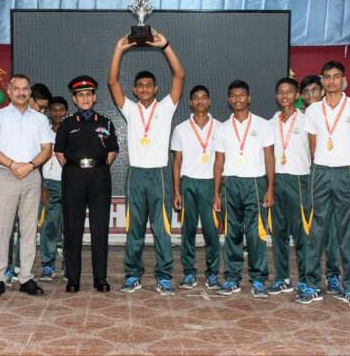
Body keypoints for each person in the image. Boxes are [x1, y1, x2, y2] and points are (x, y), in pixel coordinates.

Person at [108, 29, 184, 296]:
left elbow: (179, 76)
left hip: (159, 175)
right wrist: (119, 50)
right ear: (134, 90)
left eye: (149, 85)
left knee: (162, 229)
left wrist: (166, 46)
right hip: (136, 175)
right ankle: (132, 275)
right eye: (140, 85)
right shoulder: (129, 109)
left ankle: (164, 276)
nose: (144, 89)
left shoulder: (166, 107)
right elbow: (112, 82)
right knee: (134, 228)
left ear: (156, 89)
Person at [299, 61, 350, 308]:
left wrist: (345, 163)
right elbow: (312, 144)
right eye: (327, 77)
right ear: (322, 81)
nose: (331, 81)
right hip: (320, 172)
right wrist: (324, 163)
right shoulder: (313, 110)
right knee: (315, 230)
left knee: (348, 230)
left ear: (343, 80)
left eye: (336, 77)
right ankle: (311, 285)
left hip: (346, 172)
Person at [0, 74, 54, 298]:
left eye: (25, 89)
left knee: (29, 229)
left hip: (32, 176)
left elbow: (47, 149)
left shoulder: (40, 119)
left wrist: (30, 165)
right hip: (6, 174)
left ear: (29, 92)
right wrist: (12, 164)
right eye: (17, 88)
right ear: (9, 91)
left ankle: (25, 277)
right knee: (3, 229)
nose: (21, 92)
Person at [54, 76, 119, 292]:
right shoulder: (67, 123)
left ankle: (100, 278)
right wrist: (77, 168)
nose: (85, 98)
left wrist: (96, 167)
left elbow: (112, 151)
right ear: (74, 99)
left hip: (99, 177)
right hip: (74, 177)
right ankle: (73, 278)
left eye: (89, 94)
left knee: (100, 229)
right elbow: (59, 153)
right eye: (80, 95)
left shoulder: (105, 122)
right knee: (73, 229)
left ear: (94, 97)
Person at [213, 80, 274, 298]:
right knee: (232, 232)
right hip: (231, 183)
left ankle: (258, 280)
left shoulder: (263, 125)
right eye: (233, 95)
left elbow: (269, 158)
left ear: (248, 98)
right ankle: (232, 278)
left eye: (241, 95)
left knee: (256, 233)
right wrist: (216, 193)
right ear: (228, 100)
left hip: (255, 183)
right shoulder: (222, 128)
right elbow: (218, 162)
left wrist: (270, 188)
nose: (237, 99)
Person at [171, 85, 222, 291]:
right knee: (188, 231)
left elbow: (222, 161)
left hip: (210, 183)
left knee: (212, 232)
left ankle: (212, 274)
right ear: (191, 102)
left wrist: (218, 192)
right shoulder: (181, 129)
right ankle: (189, 273)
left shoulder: (221, 127)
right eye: (196, 98)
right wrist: (177, 190)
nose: (200, 101)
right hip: (188, 183)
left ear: (209, 101)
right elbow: (177, 162)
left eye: (204, 97)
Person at [300, 74, 342, 296]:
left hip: (330, 176)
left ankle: (333, 275)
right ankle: (310, 277)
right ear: (301, 96)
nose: (311, 95)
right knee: (312, 230)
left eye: (315, 90)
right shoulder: (296, 118)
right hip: (306, 180)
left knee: (332, 229)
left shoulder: (335, 114)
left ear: (323, 90)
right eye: (306, 92)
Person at [268, 78, 310, 296]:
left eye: (289, 91)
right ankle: (282, 278)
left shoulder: (307, 121)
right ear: (276, 96)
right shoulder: (270, 123)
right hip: (276, 181)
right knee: (279, 233)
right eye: (281, 92)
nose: (285, 96)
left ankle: (305, 279)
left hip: (299, 180)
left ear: (297, 95)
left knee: (302, 233)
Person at [39, 96, 69, 282]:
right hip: (49, 184)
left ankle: (69, 265)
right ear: (49, 112)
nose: (58, 113)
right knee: (49, 225)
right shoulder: (44, 133)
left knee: (70, 227)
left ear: (66, 111)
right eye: (54, 110)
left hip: (70, 184)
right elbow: (37, 160)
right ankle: (47, 265)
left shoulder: (72, 131)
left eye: (61, 109)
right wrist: (42, 185)